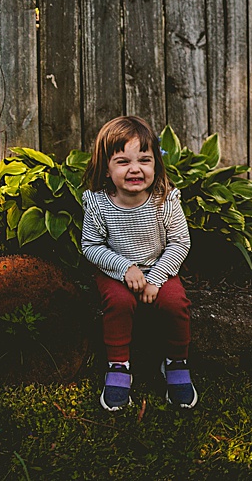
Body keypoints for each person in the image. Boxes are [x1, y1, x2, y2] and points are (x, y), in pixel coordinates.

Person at [80, 115, 197, 411]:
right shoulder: (98, 204)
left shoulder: (165, 200)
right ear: (106, 169)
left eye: (144, 160)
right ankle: (118, 366)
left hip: (160, 267)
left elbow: (180, 243)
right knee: (119, 303)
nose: (135, 169)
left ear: (155, 164)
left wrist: (156, 278)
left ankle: (176, 362)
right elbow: (91, 246)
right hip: (115, 270)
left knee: (176, 303)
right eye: (122, 161)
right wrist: (124, 269)